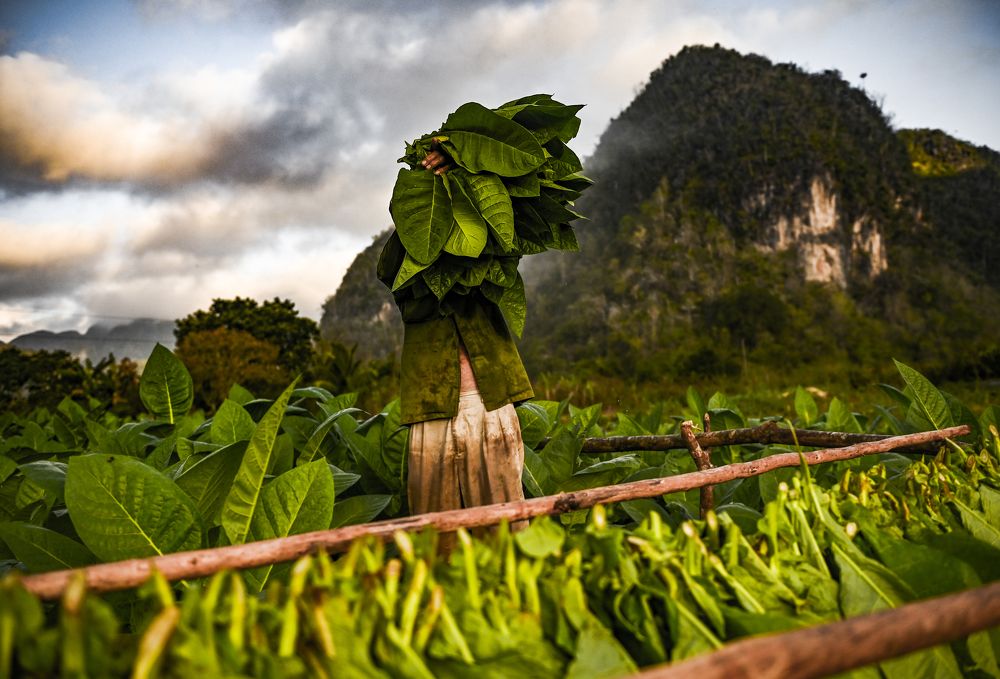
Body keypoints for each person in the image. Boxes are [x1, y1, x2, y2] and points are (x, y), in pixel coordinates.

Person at [376, 144, 532, 543]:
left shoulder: (485, 260)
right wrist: (424, 193)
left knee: (505, 533)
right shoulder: (406, 271)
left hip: (490, 400)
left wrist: (462, 172)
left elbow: (510, 238)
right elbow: (390, 269)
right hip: (432, 410)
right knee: (436, 539)